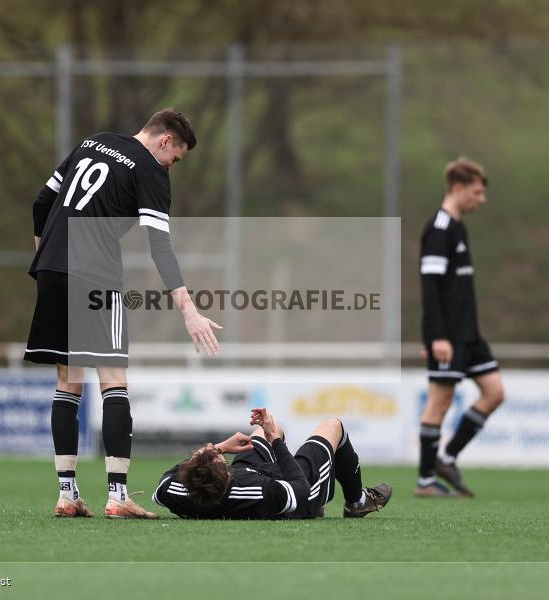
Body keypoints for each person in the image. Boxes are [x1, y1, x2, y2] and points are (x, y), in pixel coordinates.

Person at [25, 108, 222, 519]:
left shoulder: (90, 142)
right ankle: (117, 497)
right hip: (94, 274)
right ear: (165, 140)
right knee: (113, 381)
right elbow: (160, 247)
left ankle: (67, 493)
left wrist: (45, 253)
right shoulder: (150, 169)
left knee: (68, 382)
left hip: (51, 268)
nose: (172, 165)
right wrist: (189, 311)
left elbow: (42, 201)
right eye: (176, 158)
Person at [416, 157, 505, 498]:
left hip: (470, 333)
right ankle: (425, 481)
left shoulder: (458, 227)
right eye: (477, 192)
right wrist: (436, 335)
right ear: (457, 188)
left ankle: (447, 458)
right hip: (448, 335)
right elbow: (430, 287)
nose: (481, 200)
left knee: (495, 393)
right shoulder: (438, 230)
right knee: (440, 402)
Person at [152, 408, 392, 519]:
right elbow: (299, 488)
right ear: (226, 475)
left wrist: (220, 447)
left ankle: (270, 436)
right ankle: (358, 501)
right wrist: (276, 442)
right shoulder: (262, 491)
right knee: (333, 426)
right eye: (221, 459)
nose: (221, 455)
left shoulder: (179, 490)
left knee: (259, 431)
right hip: (295, 489)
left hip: (254, 474)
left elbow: (166, 481)